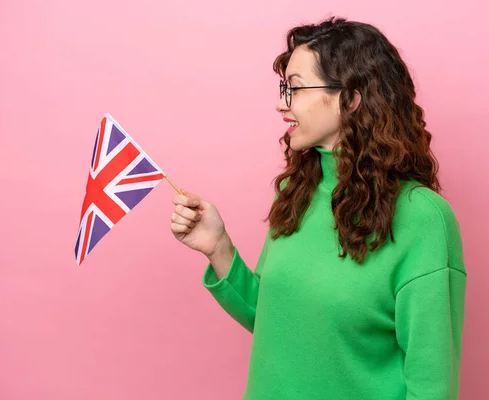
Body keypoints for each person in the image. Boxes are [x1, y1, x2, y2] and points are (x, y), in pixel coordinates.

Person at [170, 16, 466, 400]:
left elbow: (432, 386)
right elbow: (276, 320)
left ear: (351, 98)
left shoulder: (424, 219)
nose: (281, 104)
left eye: (295, 88)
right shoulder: (297, 190)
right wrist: (218, 247)